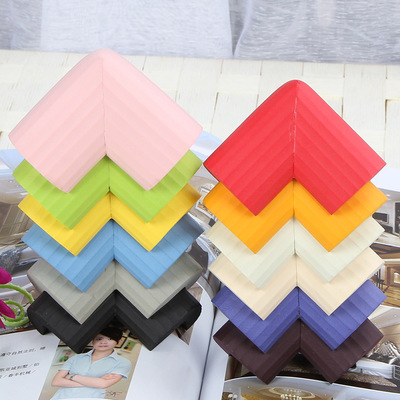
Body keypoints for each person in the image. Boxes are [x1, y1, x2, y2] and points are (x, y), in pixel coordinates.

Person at [50, 327, 132, 399]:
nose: (103, 342)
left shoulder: (123, 363)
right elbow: (56, 382)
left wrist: (72, 376)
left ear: (119, 341)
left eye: (109, 339)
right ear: (93, 340)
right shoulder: (76, 358)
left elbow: (103, 384)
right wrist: (96, 381)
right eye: (99, 339)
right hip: (61, 397)